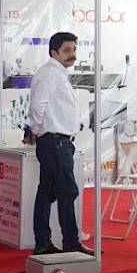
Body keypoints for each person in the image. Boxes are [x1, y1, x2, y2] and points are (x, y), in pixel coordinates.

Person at [25, 31, 91, 257]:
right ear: (54, 52)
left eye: (74, 50)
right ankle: (70, 243)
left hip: (57, 142)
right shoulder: (50, 73)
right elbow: (38, 106)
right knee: (66, 193)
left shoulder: (56, 73)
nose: (73, 54)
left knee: (47, 194)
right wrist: (34, 131)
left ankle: (44, 243)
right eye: (67, 50)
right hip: (55, 143)